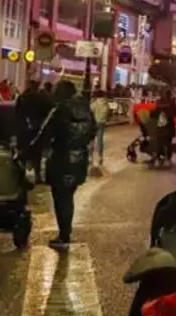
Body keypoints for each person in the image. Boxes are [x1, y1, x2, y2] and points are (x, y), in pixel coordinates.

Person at [32, 80, 97, 250]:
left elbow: (44, 134)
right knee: (68, 197)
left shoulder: (60, 110)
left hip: (62, 158)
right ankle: (65, 233)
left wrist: (31, 151)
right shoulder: (85, 108)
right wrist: (80, 143)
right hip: (79, 158)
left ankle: (64, 235)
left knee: (61, 198)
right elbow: (93, 130)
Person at [148, 88, 176, 164]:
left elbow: (153, 114)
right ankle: (167, 157)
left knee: (160, 142)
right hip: (169, 127)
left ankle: (159, 156)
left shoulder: (159, 103)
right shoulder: (172, 103)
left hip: (161, 128)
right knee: (168, 143)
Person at [89, 90, 110, 166]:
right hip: (102, 123)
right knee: (100, 140)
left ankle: (90, 157)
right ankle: (100, 157)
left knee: (92, 140)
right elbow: (108, 114)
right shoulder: (106, 104)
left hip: (94, 123)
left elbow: (90, 112)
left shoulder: (94, 104)